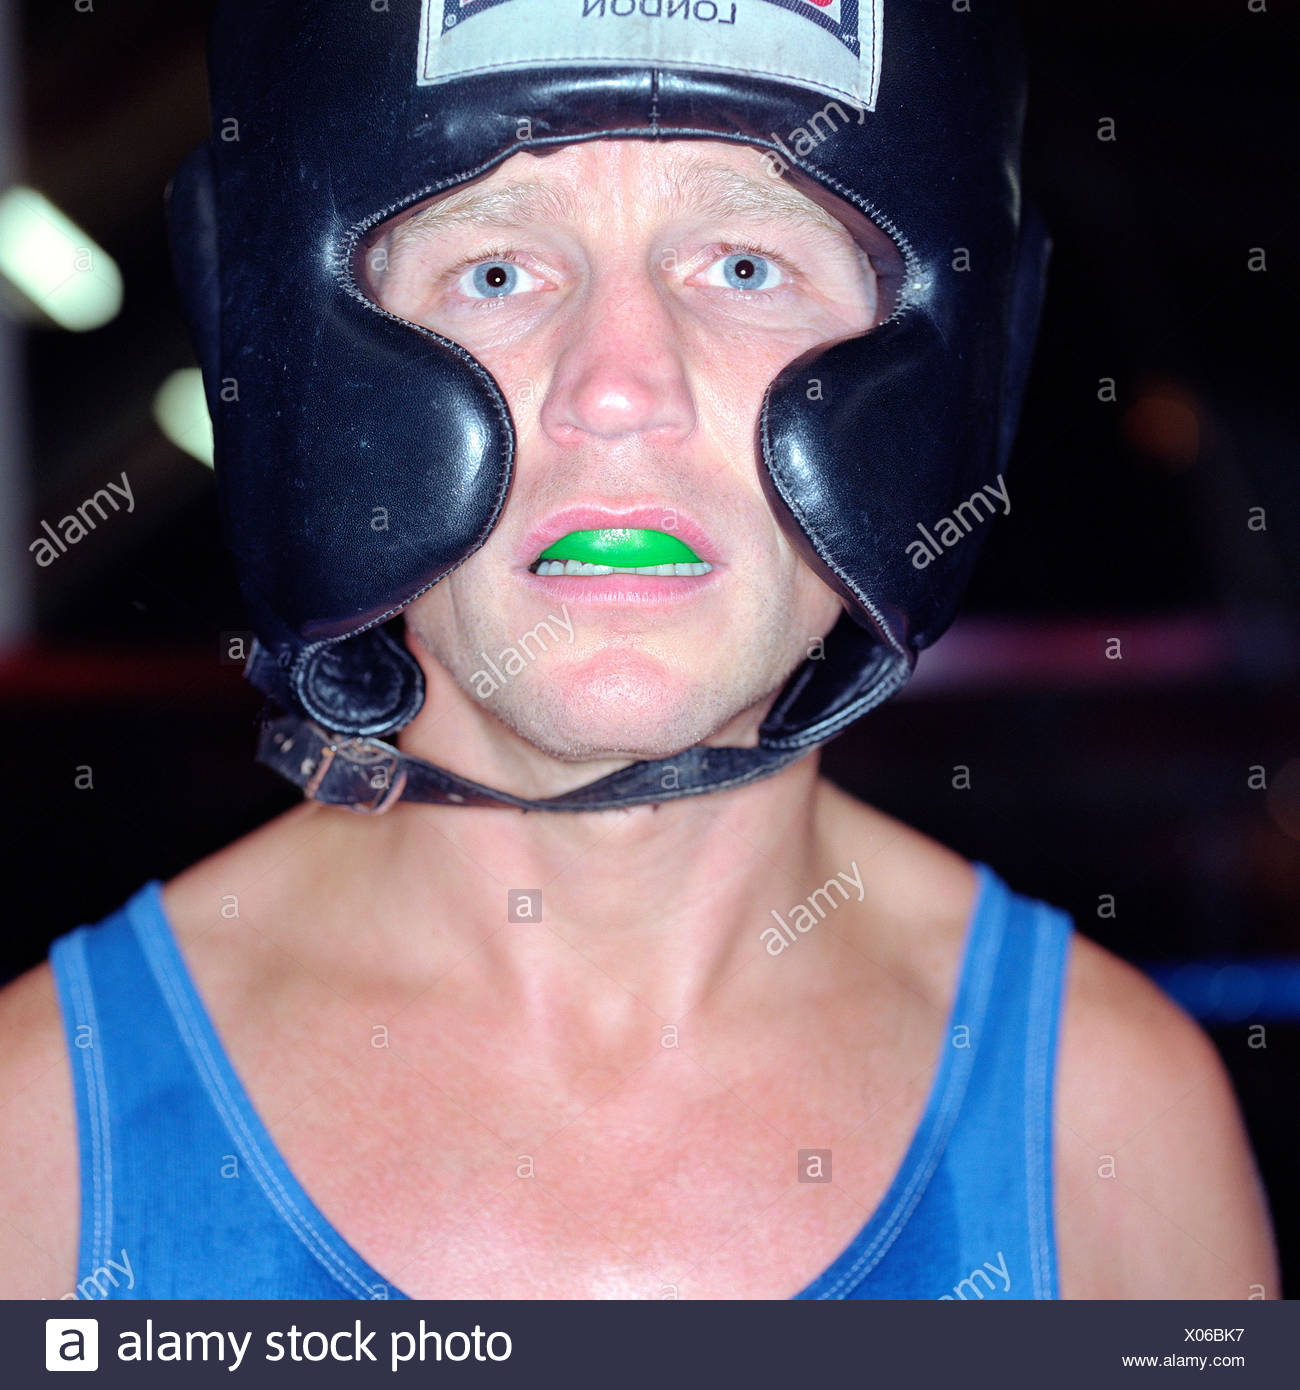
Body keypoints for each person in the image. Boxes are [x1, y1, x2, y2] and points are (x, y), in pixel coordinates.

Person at [0, 0, 1279, 1301]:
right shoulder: (35, 1139)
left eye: (741, 267)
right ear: (299, 371)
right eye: (495, 273)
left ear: (955, 364)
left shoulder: (1108, 1128)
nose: (619, 385)